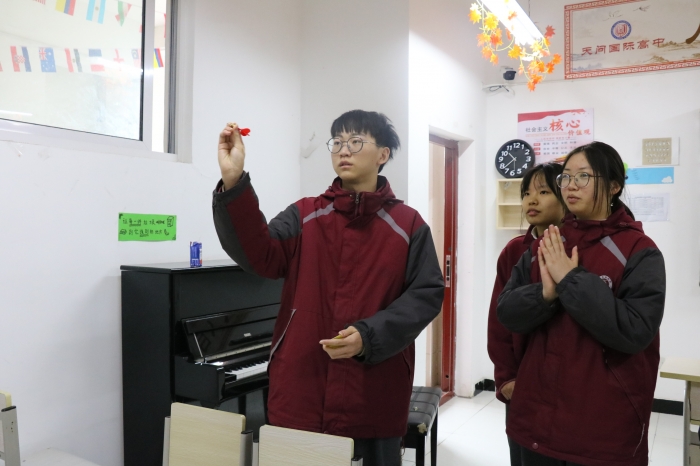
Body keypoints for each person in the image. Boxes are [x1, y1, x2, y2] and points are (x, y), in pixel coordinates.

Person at [212, 110, 444, 466]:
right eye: (337, 142)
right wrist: (234, 182)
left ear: (383, 154)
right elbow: (260, 255)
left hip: (373, 394)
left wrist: (369, 336)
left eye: (356, 141)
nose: (344, 150)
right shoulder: (304, 214)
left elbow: (425, 294)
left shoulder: (408, 224)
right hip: (302, 389)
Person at [497, 142, 666, 466]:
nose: (571, 185)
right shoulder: (547, 243)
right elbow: (506, 313)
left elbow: (635, 331)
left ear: (614, 186)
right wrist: (545, 295)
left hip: (601, 430)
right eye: (566, 177)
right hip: (535, 423)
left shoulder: (639, 250)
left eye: (583, 176)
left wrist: (570, 280)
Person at [487, 163, 566, 466]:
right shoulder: (514, 251)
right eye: (526, 193)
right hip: (522, 384)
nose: (531, 200)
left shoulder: (578, 249)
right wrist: (505, 378)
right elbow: (498, 322)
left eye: (543, 192)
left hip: (566, 385)